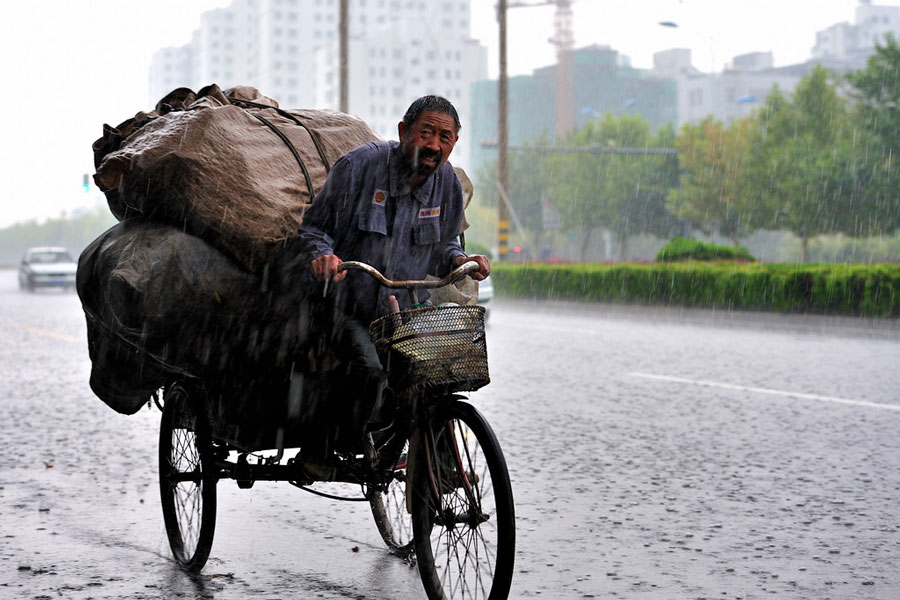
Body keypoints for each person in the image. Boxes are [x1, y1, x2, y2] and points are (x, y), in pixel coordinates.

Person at [293, 95, 490, 472]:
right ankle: (332, 446)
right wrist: (324, 256)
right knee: (369, 369)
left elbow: (446, 244)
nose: (434, 145)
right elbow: (314, 228)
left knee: (442, 373)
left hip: (407, 309)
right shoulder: (359, 168)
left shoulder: (448, 184)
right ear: (404, 132)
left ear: (453, 144)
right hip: (346, 303)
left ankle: (441, 466)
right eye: (426, 133)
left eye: (444, 137)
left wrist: (462, 260)